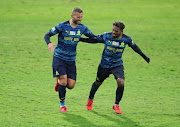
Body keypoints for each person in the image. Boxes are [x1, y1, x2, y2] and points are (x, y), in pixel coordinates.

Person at [79, 21, 150, 114]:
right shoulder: (106, 36)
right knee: (97, 83)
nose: (113, 32)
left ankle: (116, 104)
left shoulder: (126, 39)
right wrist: (80, 39)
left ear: (121, 31)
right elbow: (94, 39)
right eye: (113, 30)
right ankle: (90, 100)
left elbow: (135, 47)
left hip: (117, 65)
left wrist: (144, 57)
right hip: (104, 65)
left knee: (121, 82)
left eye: (116, 31)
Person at [44, 7, 95, 113]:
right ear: (72, 16)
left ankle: (59, 82)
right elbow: (47, 35)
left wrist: (104, 39)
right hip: (59, 57)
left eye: (81, 17)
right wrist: (49, 43)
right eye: (78, 17)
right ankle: (62, 105)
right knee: (64, 81)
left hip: (71, 60)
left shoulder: (82, 28)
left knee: (71, 85)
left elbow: (92, 37)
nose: (80, 19)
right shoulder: (62, 26)